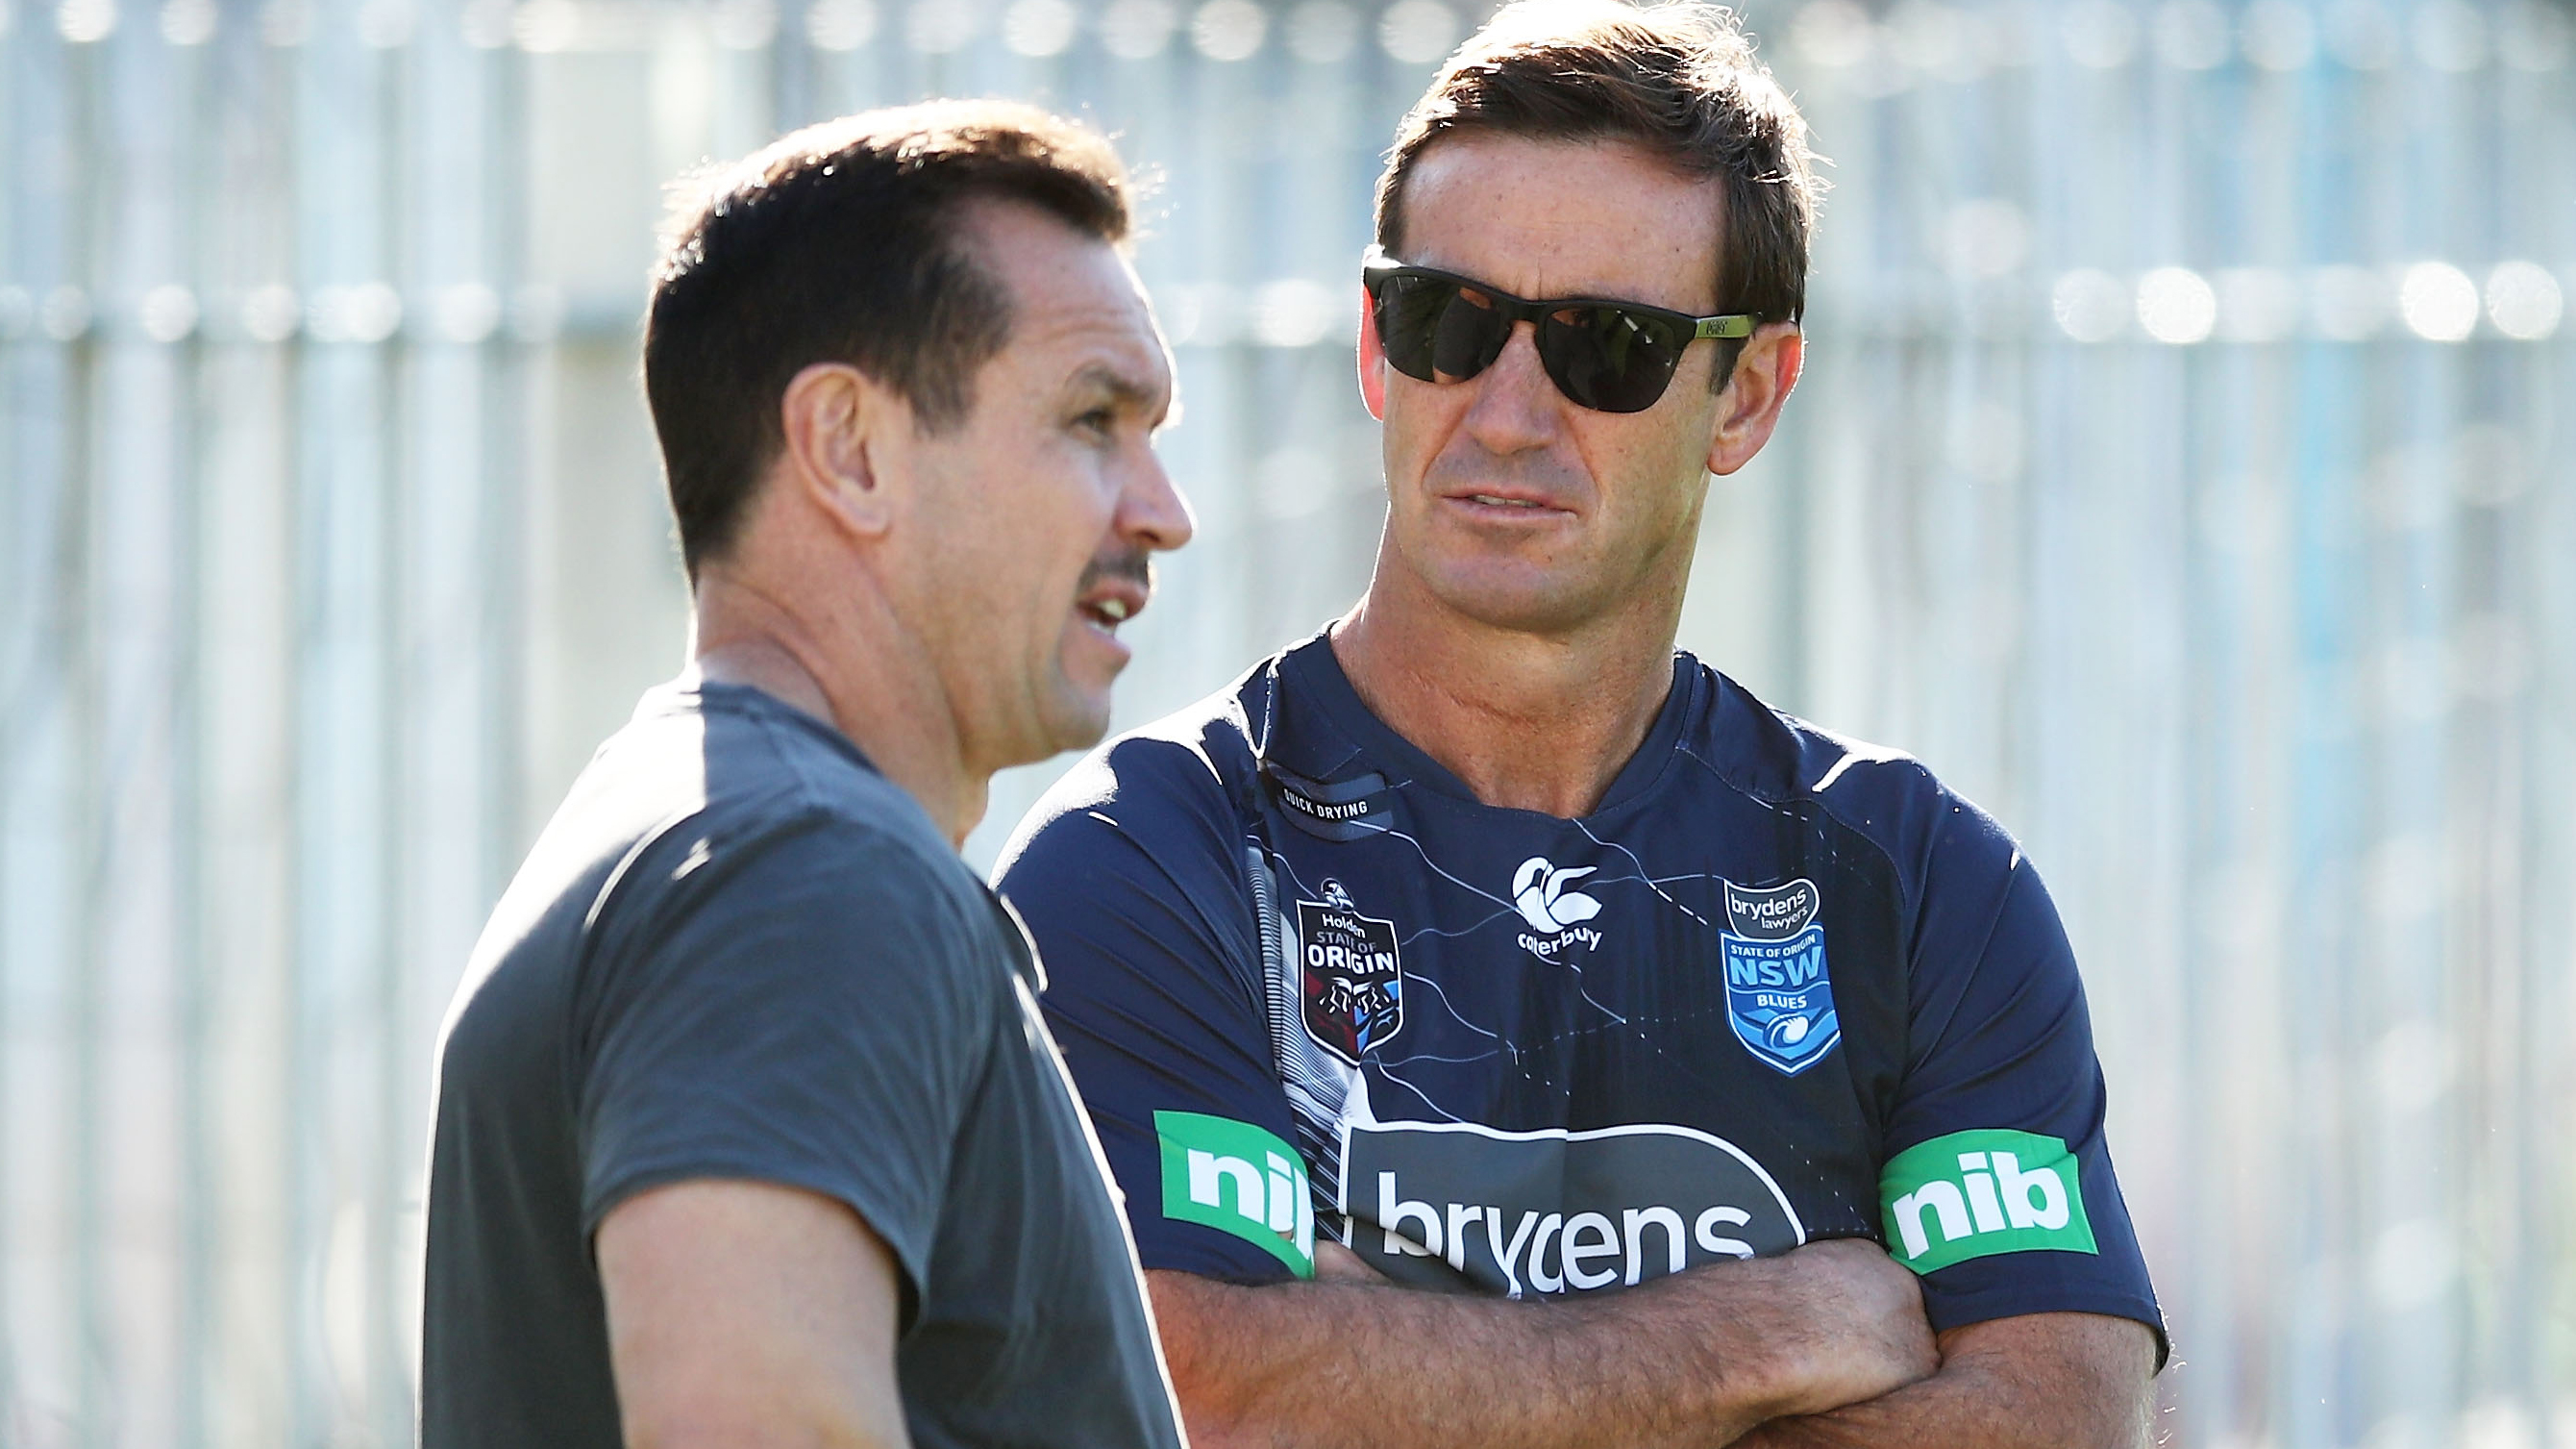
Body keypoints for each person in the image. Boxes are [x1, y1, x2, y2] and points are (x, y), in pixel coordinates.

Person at [995, 5, 2166, 1447]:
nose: (1504, 415)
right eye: (1447, 322)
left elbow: (2060, 1416)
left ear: (1746, 395)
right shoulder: (1145, 860)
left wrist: (1374, 1363)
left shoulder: (1921, 889)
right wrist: (1764, 1335)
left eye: (1608, 349)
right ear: (1374, 346)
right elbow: (1193, 1394)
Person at [418, 101, 1195, 1449]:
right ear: (850, 448)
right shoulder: (800, 873)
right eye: (1091, 420)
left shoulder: (721, 834)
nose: (1163, 512)